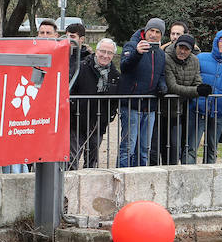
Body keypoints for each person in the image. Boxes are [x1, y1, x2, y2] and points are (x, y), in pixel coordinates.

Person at [117, 18, 167, 167]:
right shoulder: (132, 45)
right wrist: (137, 53)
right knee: (128, 148)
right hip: (132, 105)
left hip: (150, 107)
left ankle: (141, 178)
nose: (154, 34)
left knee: (145, 149)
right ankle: (123, 176)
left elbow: (161, 75)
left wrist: (162, 86)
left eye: (158, 32)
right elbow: (124, 67)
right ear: (146, 31)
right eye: (151, 30)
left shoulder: (160, 54)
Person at [190, 30, 222, 164]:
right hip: (198, 109)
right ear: (216, 41)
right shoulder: (201, 58)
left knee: (212, 148)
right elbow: (193, 79)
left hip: (219, 111)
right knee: (192, 147)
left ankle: (210, 175)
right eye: (221, 41)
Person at [70, 38, 120, 168]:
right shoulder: (81, 67)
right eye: (102, 51)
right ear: (96, 51)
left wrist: (109, 116)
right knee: (72, 159)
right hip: (77, 122)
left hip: (98, 124)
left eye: (109, 53)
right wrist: (74, 109)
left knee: (92, 161)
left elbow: (115, 100)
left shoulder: (115, 75)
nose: (105, 55)